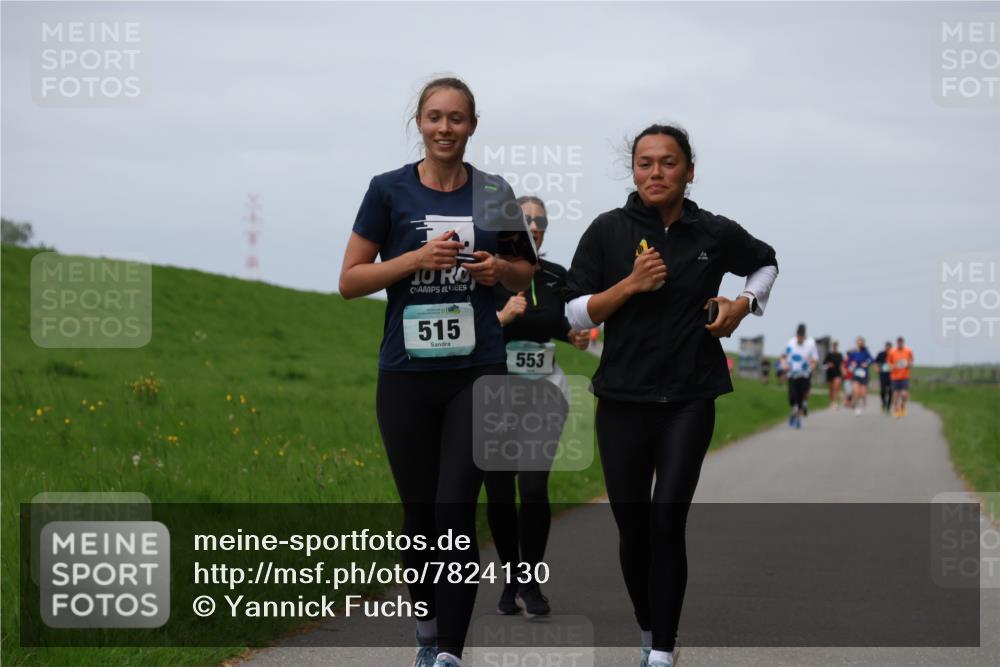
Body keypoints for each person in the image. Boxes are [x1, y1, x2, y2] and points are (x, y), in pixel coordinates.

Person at [339, 77, 537, 667]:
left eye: (456, 118)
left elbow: (526, 274)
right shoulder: (387, 190)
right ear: (419, 124)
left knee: (455, 510)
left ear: (473, 125)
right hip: (405, 375)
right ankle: (425, 625)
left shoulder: (495, 192)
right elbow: (350, 280)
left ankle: (448, 649)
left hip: (477, 372)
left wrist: (495, 269)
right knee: (420, 513)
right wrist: (414, 260)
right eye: (434, 118)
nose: (445, 128)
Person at [564, 123, 778, 667]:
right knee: (633, 527)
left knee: (666, 521)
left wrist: (743, 305)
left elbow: (766, 261)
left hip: (689, 397)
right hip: (622, 400)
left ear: (689, 170)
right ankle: (647, 626)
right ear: (633, 171)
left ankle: (661, 650)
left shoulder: (713, 232)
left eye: (667, 162)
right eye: (644, 163)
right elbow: (573, 311)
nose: (655, 172)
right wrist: (629, 284)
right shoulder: (607, 231)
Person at [487, 195, 590, 617]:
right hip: (495, 392)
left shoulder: (555, 277)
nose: (532, 225)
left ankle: (530, 581)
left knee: (531, 487)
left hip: (545, 391)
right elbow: (470, 331)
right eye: (523, 219)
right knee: (497, 494)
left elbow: (565, 323)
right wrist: (502, 318)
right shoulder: (487, 273)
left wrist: (575, 337)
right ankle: (510, 576)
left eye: (539, 220)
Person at [845, 337, 873, 416]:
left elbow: (871, 359)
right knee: (856, 392)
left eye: (861, 343)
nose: (860, 344)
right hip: (856, 375)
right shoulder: (853, 353)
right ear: (856, 343)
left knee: (863, 393)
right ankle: (857, 407)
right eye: (858, 342)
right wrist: (851, 364)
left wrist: (866, 363)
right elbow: (848, 362)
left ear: (863, 343)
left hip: (864, 375)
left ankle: (862, 400)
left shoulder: (866, 352)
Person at [887, 336, 914, 417]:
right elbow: (889, 362)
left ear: (903, 343)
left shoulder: (908, 351)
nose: (900, 343)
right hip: (895, 376)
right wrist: (892, 366)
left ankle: (903, 406)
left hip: (904, 376)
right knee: (895, 394)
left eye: (901, 342)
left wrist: (908, 364)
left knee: (904, 394)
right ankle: (895, 408)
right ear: (897, 343)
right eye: (898, 342)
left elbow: (911, 361)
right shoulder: (892, 352)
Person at [823, 341, 843, 409]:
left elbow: (842, 364)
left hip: (837, 373)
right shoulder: (829, 355)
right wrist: (828, 364)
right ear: (832, 346)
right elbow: (824, 363)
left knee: (836, 388)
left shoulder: (840, 355)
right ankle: (831, 401)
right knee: (831, 389)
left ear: (837, 346)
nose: (835, 347)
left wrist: (843, 372)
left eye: (836, 345)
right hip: (830, 373)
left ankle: (835, 402)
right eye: (833, 345)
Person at [874, 341, 893, 413]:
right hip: (883, 375)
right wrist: (877, 368)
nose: (888, 348)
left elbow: (897, 363)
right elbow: (875, 362)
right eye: (887, 347)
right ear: (885, 347)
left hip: (892, 375)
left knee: (891, 391)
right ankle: (883, 403)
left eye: (889, 347)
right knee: (883, 390)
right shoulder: (881, 354)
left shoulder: (893, 354)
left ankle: (888, 406)